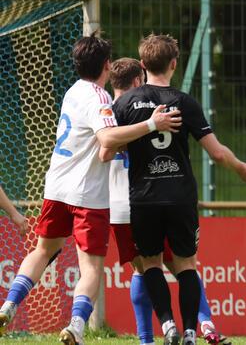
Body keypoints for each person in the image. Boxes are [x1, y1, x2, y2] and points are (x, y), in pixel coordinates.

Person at [0, 33, 181, 344]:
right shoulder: (98, 97)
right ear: (107, 65)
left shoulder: (72, 92)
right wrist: (153, 124)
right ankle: (77, 326)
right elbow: (108, 140)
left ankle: (8, 305)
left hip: (56, 185)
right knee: (91, 266)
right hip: (88, 194)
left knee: (43, 250)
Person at [113, 34, 246, 345]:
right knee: (186, 265)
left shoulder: (125, 103)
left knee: (151, 263)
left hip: (143, 197)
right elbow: (217, 153)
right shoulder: (184, 102)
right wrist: (241, 167)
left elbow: (110, 144)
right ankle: (192, 332)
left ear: (142, 65)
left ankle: (167, 325)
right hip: (180, 196)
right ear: (174, 64)